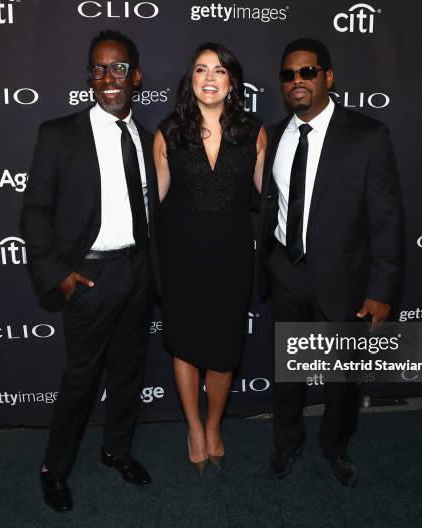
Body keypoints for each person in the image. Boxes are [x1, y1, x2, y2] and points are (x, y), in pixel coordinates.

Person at [20, 30, 159, 512]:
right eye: (98, 68)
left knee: (127, 373)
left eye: (118, 67)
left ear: (136, 75)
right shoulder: (59, 134)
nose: (108, 77)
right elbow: (35, 210)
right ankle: (53, 469)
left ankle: (116, 450)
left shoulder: (146, 138)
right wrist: (58, 273)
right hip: (89, 278)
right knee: (81, 380)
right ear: (89, 77)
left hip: (137, 273)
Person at [258, 38, 403, 486]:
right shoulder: (276, 134)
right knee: (288, 372)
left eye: (307, 72)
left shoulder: (366, 135)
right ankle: (287, 443)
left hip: (343, 278)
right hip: (286, 271)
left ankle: (335, 446)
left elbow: (387, 219)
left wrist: (381, 290)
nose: (297, 81)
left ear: (328, 77)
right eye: (288, 75)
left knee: (342, 378)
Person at [153, 43, 266, 474]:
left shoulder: (253, 132)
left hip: (233, 258)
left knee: (222, 351)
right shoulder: (169, 132)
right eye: (201, 69)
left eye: (219, 70)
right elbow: (151, 203)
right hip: (180, 258)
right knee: (185, 346)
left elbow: (273, 199)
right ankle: (194, 428)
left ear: (232, 81)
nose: (209, 77)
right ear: (192, 80)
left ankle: (215, 425)